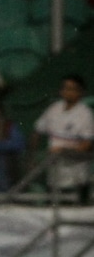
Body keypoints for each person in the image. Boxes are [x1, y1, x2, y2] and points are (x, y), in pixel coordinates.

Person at [30, 75, 94, 204]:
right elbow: (37, 132)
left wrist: (63, 151)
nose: (67, 91)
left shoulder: (85, 114)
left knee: (74, 215)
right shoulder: (54, 109)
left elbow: (87, 145)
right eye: (65, 88)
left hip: (76, 176)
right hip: (54, 175)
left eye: (72, 89)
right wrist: (32, 158)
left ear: (80, 92)